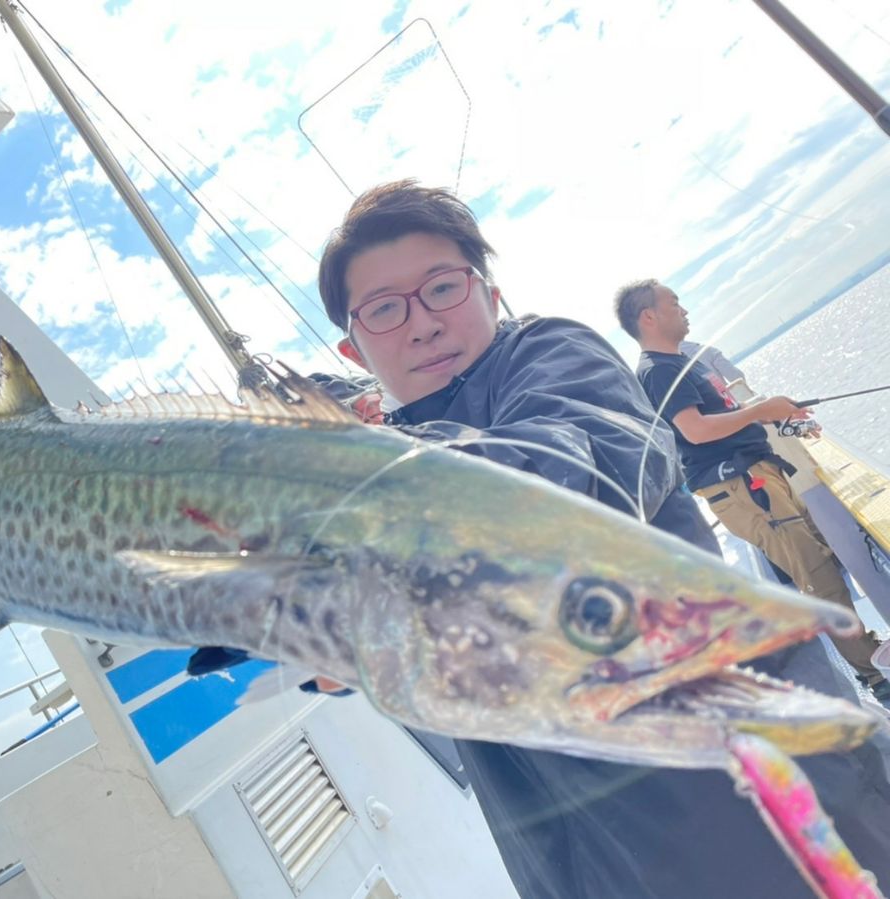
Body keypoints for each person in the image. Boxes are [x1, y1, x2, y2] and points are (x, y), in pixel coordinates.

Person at [193, 181, 890, 898]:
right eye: (383, 308)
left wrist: (330, 514)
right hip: (588, 862)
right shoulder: (376, 461)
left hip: (780, 809)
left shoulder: (553, 355)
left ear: (489, 293)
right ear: (355, 344)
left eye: (441, 287)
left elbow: (584, 471)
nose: (422, 323)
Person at [613, 278, 889, 702]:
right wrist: (760, 410)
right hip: (742, 486)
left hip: (759, 476)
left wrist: (771, 411)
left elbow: (721, 416)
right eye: (674, 302)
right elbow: (695, 429)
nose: (684, 308)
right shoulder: (659, 370)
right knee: (818, 578)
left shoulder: (682, 364)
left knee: (824, 563)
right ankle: (876, 679)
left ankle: (869, 659)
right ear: (648, 316)